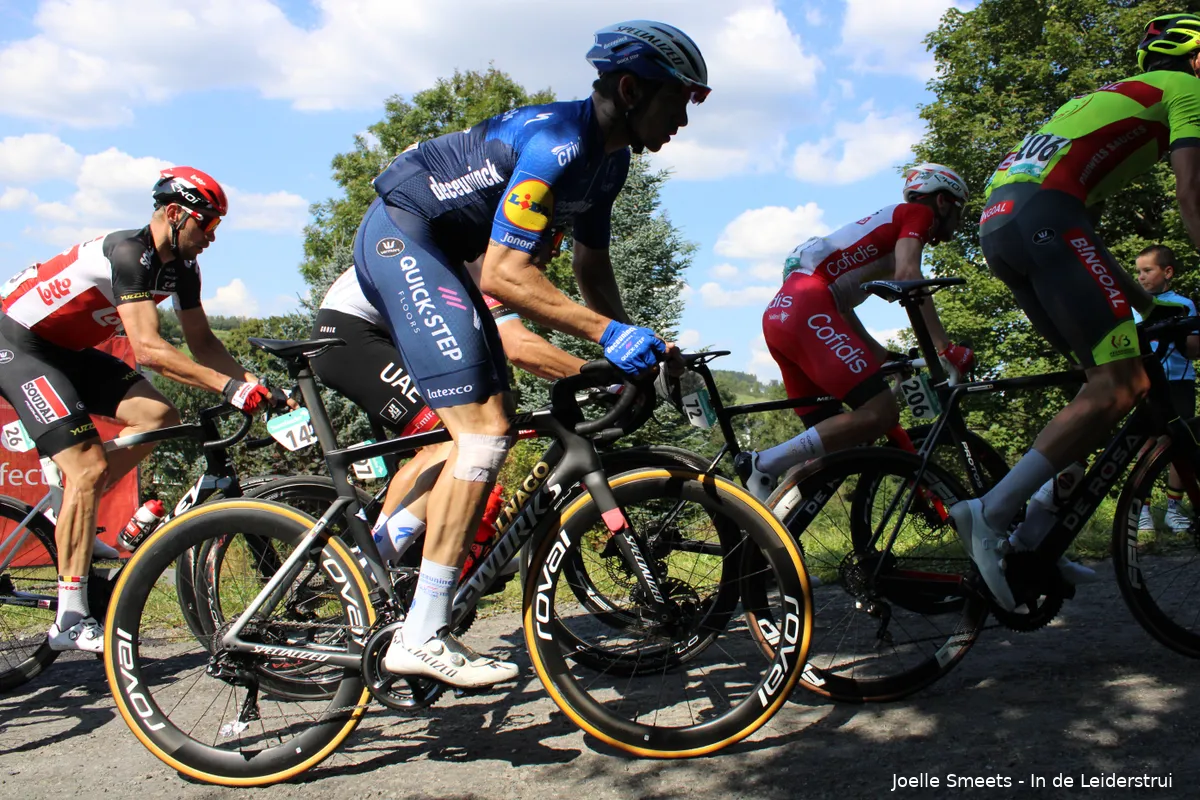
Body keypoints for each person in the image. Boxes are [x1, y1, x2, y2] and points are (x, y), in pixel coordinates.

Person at [353, 20, 705, 687]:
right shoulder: (558, 144)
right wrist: (607, 338)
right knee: (482, 434)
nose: (683, 119)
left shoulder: (611, 160)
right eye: (677, 100)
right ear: (631, 90)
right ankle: (421, 633)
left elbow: (592, 271)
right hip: (405, 235)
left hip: (445, 250)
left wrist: (634, 344)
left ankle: (383, 548)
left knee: (499, 420)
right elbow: (505, 277)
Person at [953, 13, 1200, 611]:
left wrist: (1145, 304)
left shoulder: (1109, 98)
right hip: (1047, 220)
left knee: (1101, 387)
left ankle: (1036, 531)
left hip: (1005, 222)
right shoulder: (1188, 91)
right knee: (1124, 384)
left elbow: (1073, 218)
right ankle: (990, 513)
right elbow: (1193, 196)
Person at [0, 167, 286, 652]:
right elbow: (150, 350)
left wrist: (252, 383)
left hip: (65, 351)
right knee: (87, 466)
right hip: (17, 344)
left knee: (158, 418)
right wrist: (228, 389)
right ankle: (70, 618)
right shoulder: (130, 254)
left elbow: (202, 342)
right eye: (206, 225)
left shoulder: (183, 269)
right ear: (174, 215)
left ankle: (77, 512)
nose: (212, 238)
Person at [310, 263, 585, 563]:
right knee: (457, 443)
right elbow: (519, 347)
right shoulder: (483, 261)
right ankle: (372, 566)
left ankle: (380, 563)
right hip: (351, 337)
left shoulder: (485, 257)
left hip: (373, 332)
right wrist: (603, 376)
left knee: (447, 443)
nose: (552, 255)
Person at [734, 164, 974, 502]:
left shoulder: (880, 234)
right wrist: (944, 348)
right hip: (808, 309)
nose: (958, 222)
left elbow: (844, 314)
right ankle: (764, 462)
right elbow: (909, 276)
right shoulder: (917, 214)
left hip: (783, 314)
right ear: (943, 202)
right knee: (882, 413)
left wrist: (885, 357)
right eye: (959, 210)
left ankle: (772, 522)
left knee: (830, 445)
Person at [1133, 244, 1199, 533]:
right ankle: (1141, 511)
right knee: (1146, 444)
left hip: (1179, 382)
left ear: (1167, 271)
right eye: (1138, 272)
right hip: (1146, 384)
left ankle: (1174, 510)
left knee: (1180, 446)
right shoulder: (1133, 308)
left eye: (1148, 270)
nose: (1141, 277)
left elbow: (1195, 350)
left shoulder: (1184, 304)